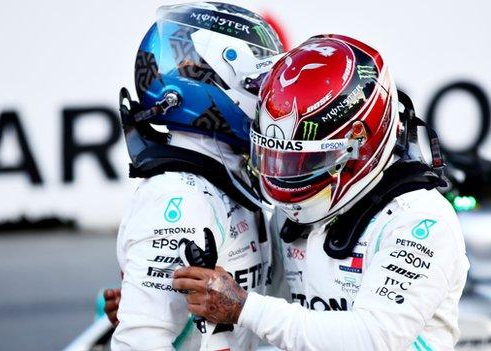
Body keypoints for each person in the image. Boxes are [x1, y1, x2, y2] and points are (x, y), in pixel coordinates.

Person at [173, 34, 470, 351]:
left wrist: (243, 306)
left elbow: (372, 339)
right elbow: (261, 329)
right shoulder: (292, 218)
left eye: (308, 159)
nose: (289, 176)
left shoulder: (420, 220)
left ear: (360, 141)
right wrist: (172, 316)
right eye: (279, 158)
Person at [110, 3, 285, 350]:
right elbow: (140, 343)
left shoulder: (231, 178)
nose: (270, 99)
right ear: (202, 84)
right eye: (256, 85)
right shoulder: (177, 199)